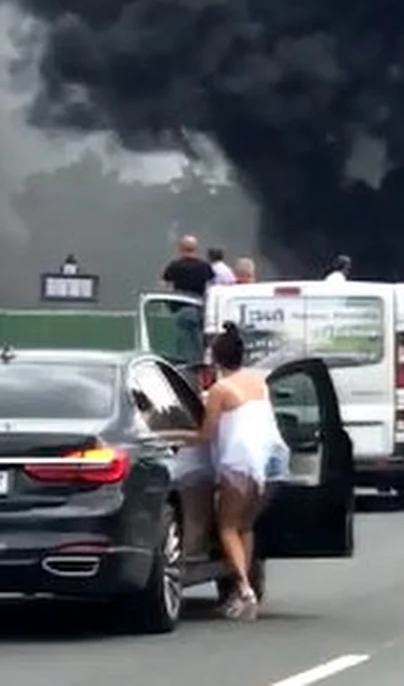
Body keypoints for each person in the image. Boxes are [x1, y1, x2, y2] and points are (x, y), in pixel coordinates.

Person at [198, 322, 288, 619]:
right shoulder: (259, 383)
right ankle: (242, 591)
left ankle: (245, 588)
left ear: (216, 358)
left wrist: (176, 436)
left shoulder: (219, 390)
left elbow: (206, 434)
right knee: (245, 527)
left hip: (237, 463)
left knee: (226, 526)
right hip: (267, 461)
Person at [160, 236, 215, 362]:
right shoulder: (204, 266)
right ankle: (200, 363)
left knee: (184, 343)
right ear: (196, 249)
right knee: (200, 341)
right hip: (201, 308)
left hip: (181, 308)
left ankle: (186, 366)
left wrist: (167, 304)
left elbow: (164, 285)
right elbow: (212, 284)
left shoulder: (175, 266)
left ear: (180, 248)